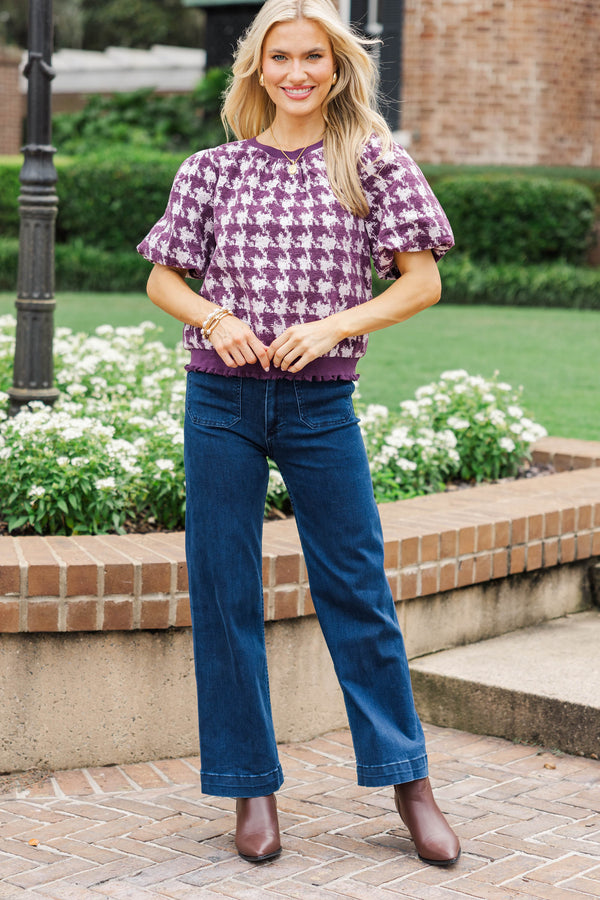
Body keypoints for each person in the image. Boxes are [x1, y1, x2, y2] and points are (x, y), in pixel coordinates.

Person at [137, 0, 460, 868]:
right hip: (220, 405)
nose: (297, 73)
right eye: (280, 57)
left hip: (320, 409)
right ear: (258, 69)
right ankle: (250, 788)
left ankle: (409, 784)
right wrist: (212, 317)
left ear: (337, 66)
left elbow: (419, 283)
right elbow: (165, 280)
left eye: (312, 57)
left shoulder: (374, 164)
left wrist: (332, 326)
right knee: (224, 595)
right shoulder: (212, 170)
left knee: (358, 592)